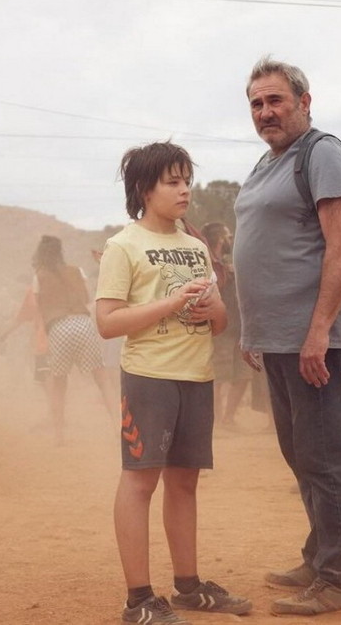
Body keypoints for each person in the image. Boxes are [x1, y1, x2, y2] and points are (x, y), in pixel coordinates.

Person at [233, 57, 341, 617]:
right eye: (256, 103)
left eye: (275, 100)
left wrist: (319, 332)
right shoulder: (268, 162)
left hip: (314, 340)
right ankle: (320, 557)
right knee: (300, 453)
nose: (265, 111)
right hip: (278, 339)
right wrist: (253, 329)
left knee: (326, 456)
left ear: (304, 102)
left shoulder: (323, 153)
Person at [95, 141, 251, 624]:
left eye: (187, 181)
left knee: (184, 483)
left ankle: (188, 586)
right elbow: (107, 323)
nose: (185, 190)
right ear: (145, 189)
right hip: (149, 378)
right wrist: (172, 302)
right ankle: (139, 599)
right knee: (140, 482)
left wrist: (214, 309)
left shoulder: (196, 247)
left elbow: (219, 324)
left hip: (197, 377)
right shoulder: (123, 246)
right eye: (173, 181)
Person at [28, 235, 116, 443]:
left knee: (59, 383)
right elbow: (86, 298)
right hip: (83, 324)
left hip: (58, 327)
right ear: (61, 251)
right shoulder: (77, 271)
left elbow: (40, 308)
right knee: (102, 380)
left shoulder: (38, 277)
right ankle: (117, 426)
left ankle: (59, 435)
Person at [201, 222, 251, 427]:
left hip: (239, 328)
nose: (231, 240)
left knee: (243, 375)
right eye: (228, 237)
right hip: (221, 330)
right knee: (219, 376)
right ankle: (216, 421)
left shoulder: (228, 265)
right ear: (221, 240)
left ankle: (227, 418)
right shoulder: (207, 264)